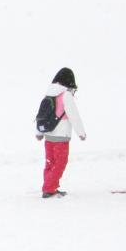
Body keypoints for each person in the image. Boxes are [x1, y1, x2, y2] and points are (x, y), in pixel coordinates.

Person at [35, 67, 86, 198]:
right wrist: (81, 132)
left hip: (48, 135)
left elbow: (41, 114)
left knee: (50, 162)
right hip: (61, 137)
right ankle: (49, 188)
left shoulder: (49, 93)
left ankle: (48, 186)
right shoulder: (66, 95)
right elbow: (74, 115)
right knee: (60, 163)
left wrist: (39, 132)